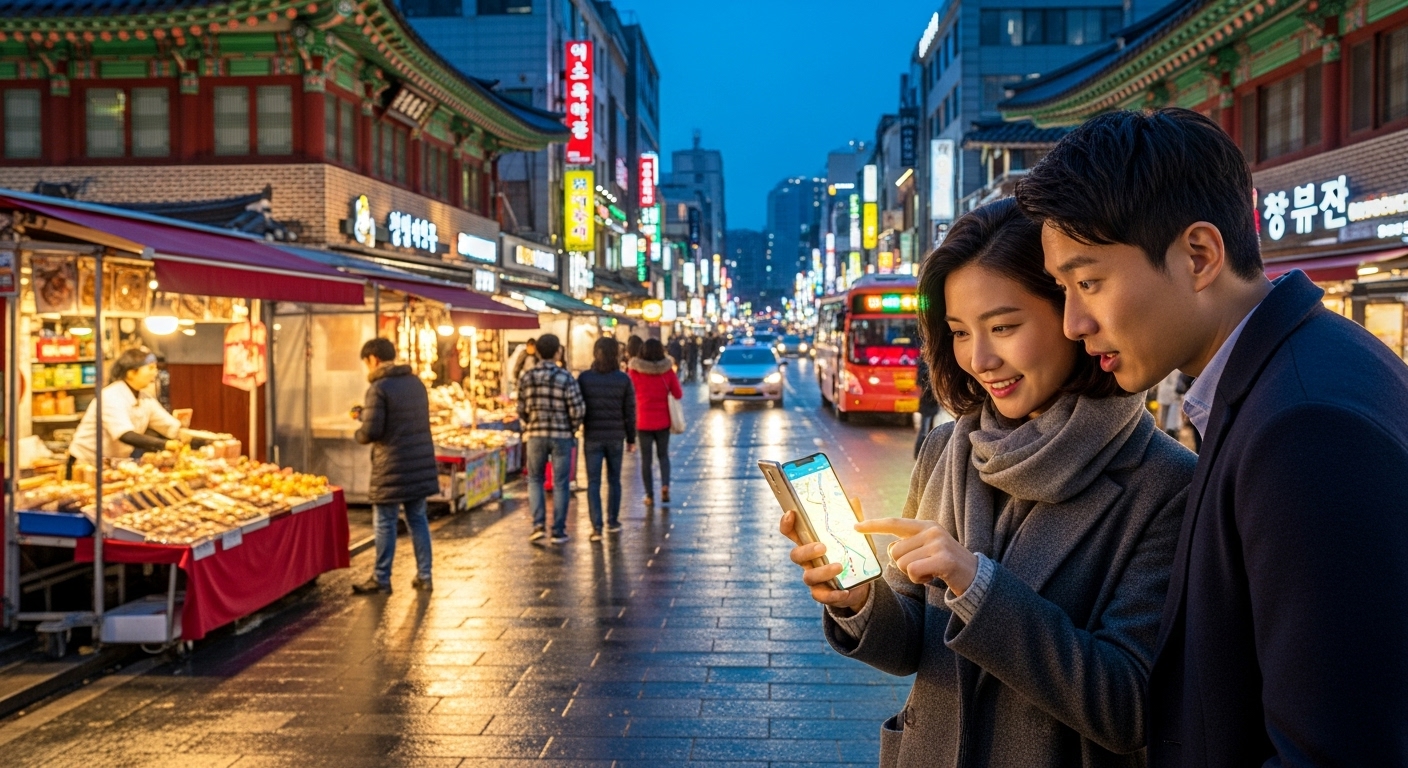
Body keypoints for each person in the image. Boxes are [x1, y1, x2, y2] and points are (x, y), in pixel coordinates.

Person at [1017, 108, 1408, 765]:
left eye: (1088, 282)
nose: (1073, 322)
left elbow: (1336, 749)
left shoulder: (1304, 427)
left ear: (1198, 255)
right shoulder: (1299, 368)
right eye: (1063, 289)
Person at [780, 198, 1196, 767]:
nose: (979, 358)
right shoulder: (946, 450)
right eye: (957, 332)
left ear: (1071, 316)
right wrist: (858, 598)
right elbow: (909, 648)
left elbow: (1131, 706)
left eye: (1003, 327)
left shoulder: (1166, 483)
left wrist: (976, 583)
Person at [351, 338, 439, 594]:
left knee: (385, 522)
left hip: (392, 466)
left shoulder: (379, 388)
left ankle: (381, 578)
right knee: (418, 519)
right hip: (419, 463)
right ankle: (425, 575)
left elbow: (372, 431)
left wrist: (360, 428)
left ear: (373, 359)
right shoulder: (416, 383)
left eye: (366, 363)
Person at [68, 349, 199, 472]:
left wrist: (206, 440)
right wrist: (166, 445)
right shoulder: (111, 396)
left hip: (112, 463)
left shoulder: (145, 398)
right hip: (85, 463)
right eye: (150, 368)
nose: (155, 372)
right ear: (131, 373)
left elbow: (170, 427)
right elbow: (125, 435)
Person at [517, 333, 585, 544]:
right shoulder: (566, 377)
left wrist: (531, 423)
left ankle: (538, 525)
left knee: (535, 479)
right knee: (561, 482)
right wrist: (571, 428)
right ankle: (558, 530)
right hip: (561, 436)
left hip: (535, 435)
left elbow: (521, 409)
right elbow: (577, 409)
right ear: (558, 352)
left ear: (537, 351)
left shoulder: (527, 377)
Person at [577, 337, 636, 540]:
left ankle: (596, 527)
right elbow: (630, 410)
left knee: (593, 482)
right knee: (614, 480)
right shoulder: (623, 379)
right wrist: (631, 438)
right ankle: (613, 520)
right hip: (615, 436)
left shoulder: (584, 378)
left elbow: (578, 408)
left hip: (592, 435)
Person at [628, 337, 682, 506]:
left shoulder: (634, 371)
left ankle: (649, 495)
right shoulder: (667, 370)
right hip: (663, 420)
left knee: (646, 459)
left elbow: (629, 395)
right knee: (663, 456)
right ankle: (665, 486)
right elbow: (678, 394)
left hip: (642, 420)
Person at [913, 358, 940, 459]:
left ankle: (926, 453)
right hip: (927, 402)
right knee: (924, 430)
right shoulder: (924, 365)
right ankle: (919, 453)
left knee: (930, 429)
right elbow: (921, 382)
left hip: (933, 402)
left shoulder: (932, 363)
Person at [1154, 370, 1183, 439]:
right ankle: (1169, 434)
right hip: (1173, 393)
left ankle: (1167, 434)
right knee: (1171, 419)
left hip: (1170, 393)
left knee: (1168, 418)